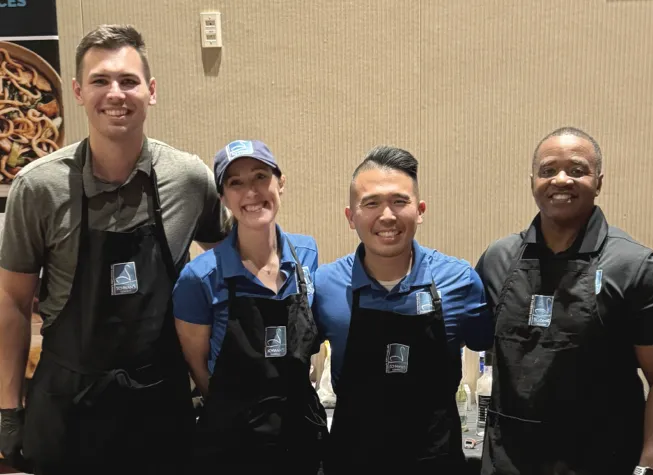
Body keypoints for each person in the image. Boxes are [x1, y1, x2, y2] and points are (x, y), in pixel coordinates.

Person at [0, 25, 226, 475]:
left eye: (128, 81)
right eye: (101, 81)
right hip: (67, 407)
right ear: (79, 92)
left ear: (152, 90)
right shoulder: (38, 187)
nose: (115, 94)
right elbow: (12, 300)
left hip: (161, 407)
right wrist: (7, 410)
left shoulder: (189, 178)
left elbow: (232, 265)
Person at [476, 127, 653, 475]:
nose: (561, 180)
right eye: (548, 170)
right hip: (509, 461)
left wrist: (650, 468)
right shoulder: (499, 259)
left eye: (577, 170)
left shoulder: (635, 267)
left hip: (604, 460)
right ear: (533, 181)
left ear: (599, 181)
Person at [313, 145, 494, 472]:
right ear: (351, 217)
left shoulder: (460, 282)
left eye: (400, 201)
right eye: (371, 203)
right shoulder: (324, 285)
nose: (387, 216)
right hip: (352, 461)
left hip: (435, 461)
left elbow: (488, 348)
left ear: (420, 210)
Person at [173, 139, 327, 473]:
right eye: (236, 183)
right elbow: (197, 365)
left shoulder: (307, 254)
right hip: (234, 446)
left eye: (260, 176)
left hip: (303, 437)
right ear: (223, 197)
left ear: (280, 183)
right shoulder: (198, 278)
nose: (251, 191)